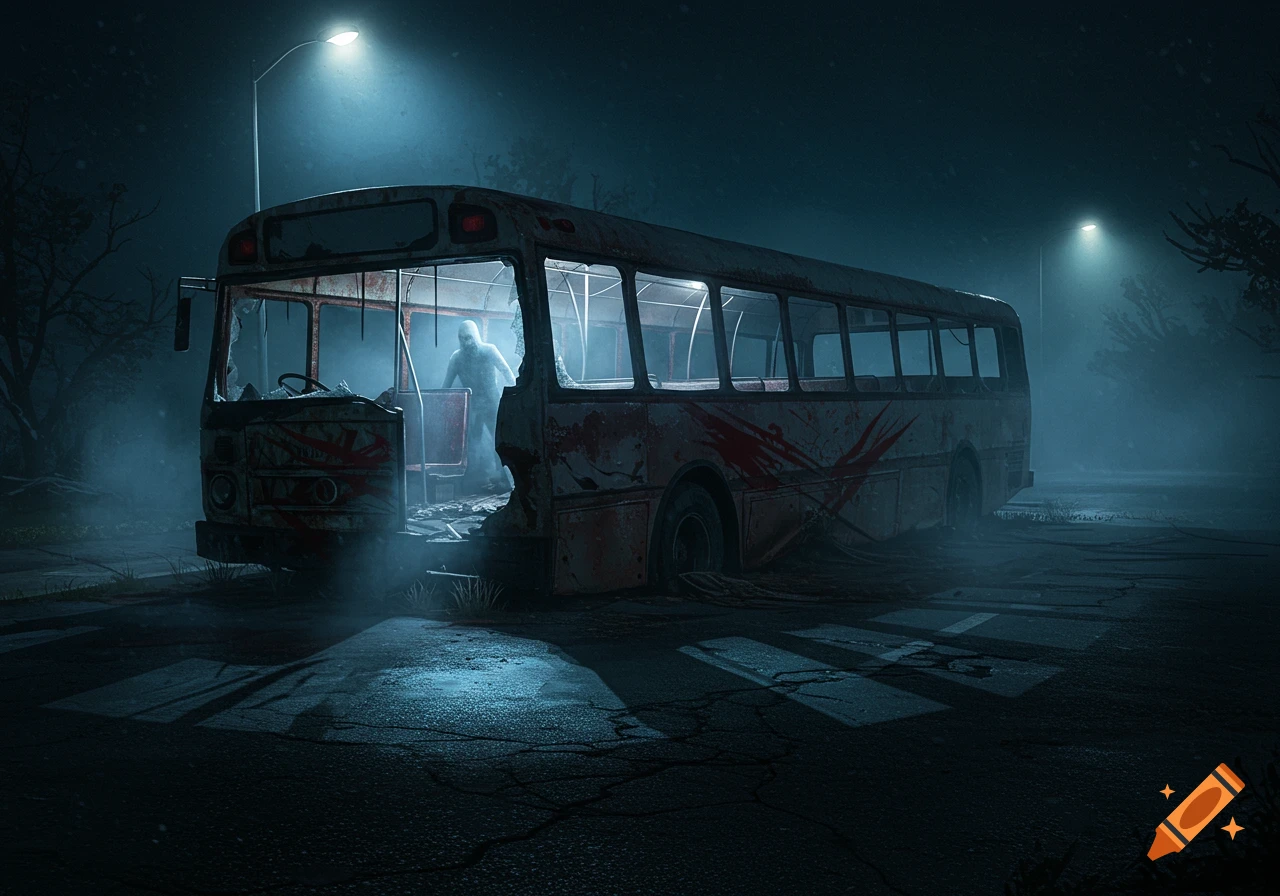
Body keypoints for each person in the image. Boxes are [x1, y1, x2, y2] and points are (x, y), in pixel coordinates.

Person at [442, 320, 517, 491]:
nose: (466, 342)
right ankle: (476, 480)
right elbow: (445, 386)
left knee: (499, 441)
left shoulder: (488, 350)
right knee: (471, 444)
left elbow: (507, 372)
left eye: (468, 337)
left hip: (492, 403)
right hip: (473, 406)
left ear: (475, 336)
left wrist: (514, 397)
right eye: (462, 338)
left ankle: (505, 480)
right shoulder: (457, 358)